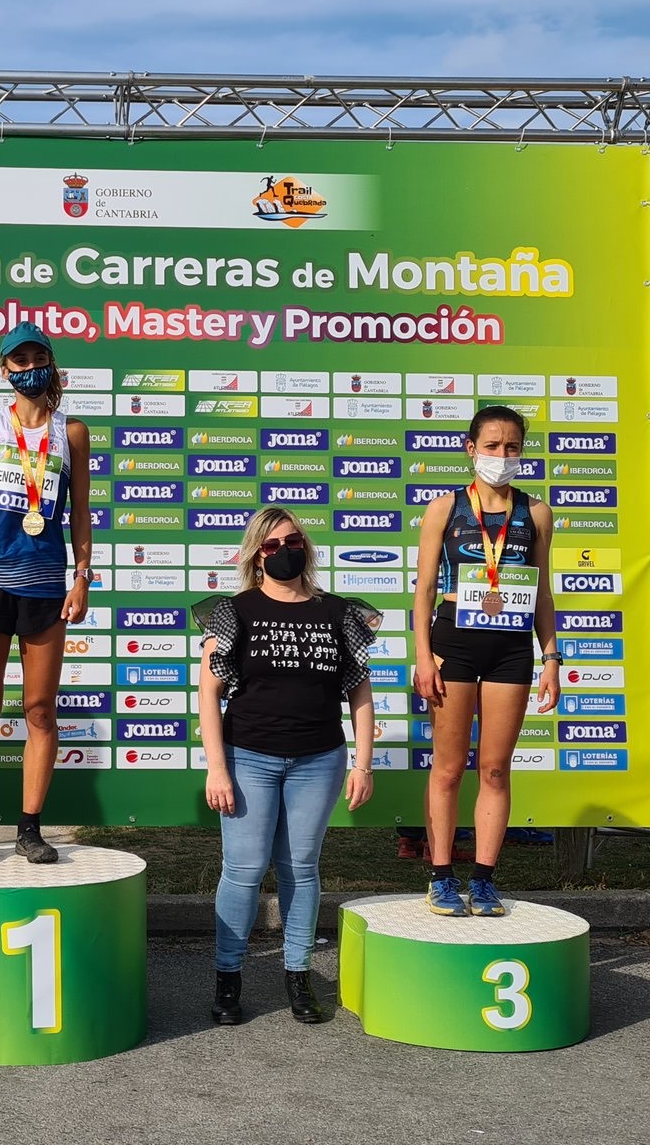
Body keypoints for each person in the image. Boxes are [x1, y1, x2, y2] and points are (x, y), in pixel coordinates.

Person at [198, 507, 375, 1026]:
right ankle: (227, 981)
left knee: (301, 868)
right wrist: (216, 767)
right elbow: (210, 694)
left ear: (307, 546)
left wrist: (363, 763)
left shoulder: (340, 613)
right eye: (271, 545)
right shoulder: (233, 612)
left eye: (292, 541)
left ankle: (298, 976)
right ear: (255, 555)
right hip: (247, 756)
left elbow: (360, 694)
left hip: (318, 759)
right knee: (244, 870)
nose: (283, 551)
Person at [0, 322, 92, 864]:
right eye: (18, 360)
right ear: (5, 370)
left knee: (40, 711)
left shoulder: (72, 433)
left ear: (50, 362)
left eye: (37, 358)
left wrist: (82, 576)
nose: (29, 368)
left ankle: (30, 828)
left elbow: (80, 514)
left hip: (46, 587)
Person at [412, 406, 562, 917]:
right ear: (470, 448)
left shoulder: (535, 513)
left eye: (512, 446)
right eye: (492, 446)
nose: (502, 455)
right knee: (450, 769)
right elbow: (426, 589)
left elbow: (543, 592)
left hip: (510, 647)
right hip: (453, 641)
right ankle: (440, 877)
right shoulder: (445, 508)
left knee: (496, 769)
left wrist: (551, 657)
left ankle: (484, 880)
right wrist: (421, 657)